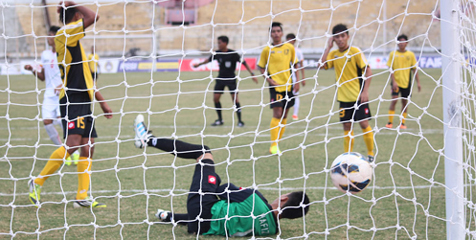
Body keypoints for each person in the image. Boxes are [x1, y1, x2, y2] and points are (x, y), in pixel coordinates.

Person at [133, 114, 310, 237]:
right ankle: (169, 217)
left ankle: (147, 139)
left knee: (203, 152)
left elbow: (223, 189)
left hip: (201, 207)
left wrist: (221, 183)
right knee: (218, 212)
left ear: (284, 199)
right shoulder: (272, 230)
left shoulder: (256, 200)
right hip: (201, 227)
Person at [28, 1, 113, 208]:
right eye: (78, 17)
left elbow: (86, 77)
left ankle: (81, 197)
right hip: (72, 98)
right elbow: (94, 17)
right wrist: (74, 3)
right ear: (76, 18)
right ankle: (37, 181)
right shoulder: (65, 34)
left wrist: (101, 102)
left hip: (83, 98)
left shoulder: (72, 38)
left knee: (88, 146)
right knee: (73, 144)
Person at [24, 26, 80, 166]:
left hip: (63, 94)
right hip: (49, 94)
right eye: (48, 35)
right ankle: (62, 150)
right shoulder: (45, 55)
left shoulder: (64, 53)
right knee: (47, 122)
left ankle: (74, 151)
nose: (48, 38)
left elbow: (72, 74)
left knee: (63, 122)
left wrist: (62, 85)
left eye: (50, 35)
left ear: (57, 37)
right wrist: (33, 70)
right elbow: (43, 77)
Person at [320, 24, 374, 162]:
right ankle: (348, 157)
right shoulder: (333, 54)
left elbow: (368, 71)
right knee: (347, 126)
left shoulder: (355, 51)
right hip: (343, 98)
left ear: (348, 37)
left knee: (363, 123)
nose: (340, 39)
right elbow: (322, 66)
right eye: (337, 37)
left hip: (358, 96)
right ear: (334, 39)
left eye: (342, 36)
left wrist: (365, 91)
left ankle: (371, 154)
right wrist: (328, 48)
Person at [194, 36, 258, 127]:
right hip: (220, 79)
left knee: (235, 100)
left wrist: (252, 74)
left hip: (231, 79)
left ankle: (240, 121)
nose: (218, 45)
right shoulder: (217, 53)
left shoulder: (233, 53)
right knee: (216, 99)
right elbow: (208, 60)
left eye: (219, 43)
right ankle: (220, 120)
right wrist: (199, 64)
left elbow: (244, 63)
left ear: (225, 43)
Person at [258, 22, 299, 155]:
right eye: (273, 31)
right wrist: (269, 80)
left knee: (285, 115)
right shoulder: (267, 50)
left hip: (288, 86)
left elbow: (295, 64)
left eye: (278, 31)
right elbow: (261, 67)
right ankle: (274, 145)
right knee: (277, 114)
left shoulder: (290, 47)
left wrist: (298, 81)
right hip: (275, 87)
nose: (275, 34)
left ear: (282, 33)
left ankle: (277, 142)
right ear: (270, 34)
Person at [386, 34, 420, 129]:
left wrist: (418, 83)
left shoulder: (410, 55)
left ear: (407, 43)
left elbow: (415, 69)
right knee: (394, 100)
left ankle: (402, 123)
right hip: (396, 82)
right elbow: (390, 68)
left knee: (405, 103)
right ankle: (390, 122)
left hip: (407, 83)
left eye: (403, 41)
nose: (401, 43)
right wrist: (394, 81)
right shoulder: (393, 54)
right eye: (400, 41)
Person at [286, 33, 306, 121]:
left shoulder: (297, 51)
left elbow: (301, 64)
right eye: (288, 40)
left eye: (291, 40)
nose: (290, 41)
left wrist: (303, 78)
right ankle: (284, 113)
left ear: (294, 41)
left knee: (295, 95)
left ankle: (295, 114)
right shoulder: (284, 50)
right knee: (284, 96)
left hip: (294, 77)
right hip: (285, 77)